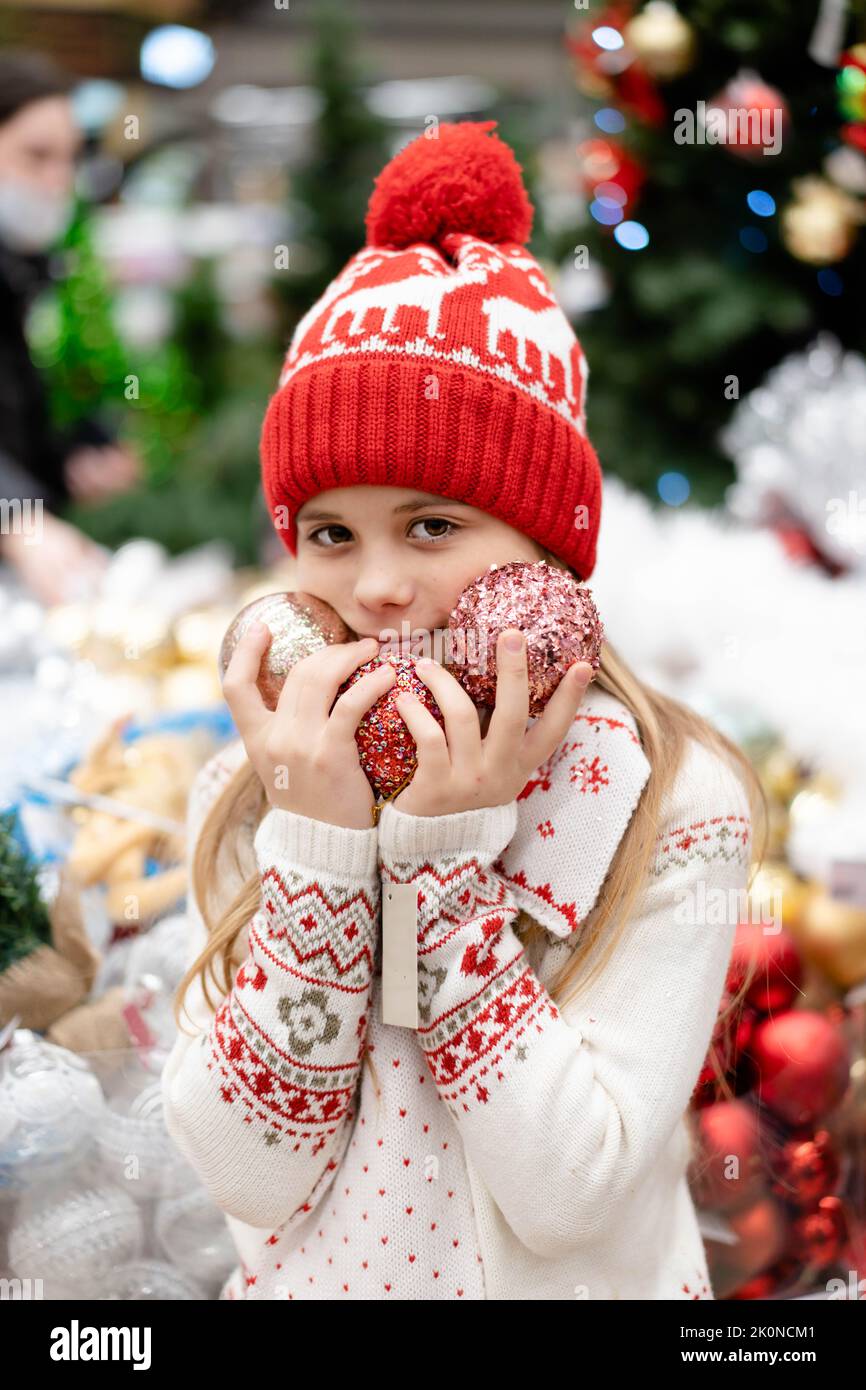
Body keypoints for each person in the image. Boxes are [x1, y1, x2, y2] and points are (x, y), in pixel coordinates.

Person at [161, 121, 767, 1301]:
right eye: (330, 533)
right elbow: (246, 1175)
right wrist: (322, 843)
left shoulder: (664, 802)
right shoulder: (255, 784)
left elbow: (568, 1191)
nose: (376, 584)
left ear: (546, 549)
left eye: (431, 524)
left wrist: (439, 863)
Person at [0, 51, 139, 605]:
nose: (58, 180)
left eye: (69, 159)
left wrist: (76, 456)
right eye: (36, 156)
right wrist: (17, 521)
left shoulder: (27, 274)